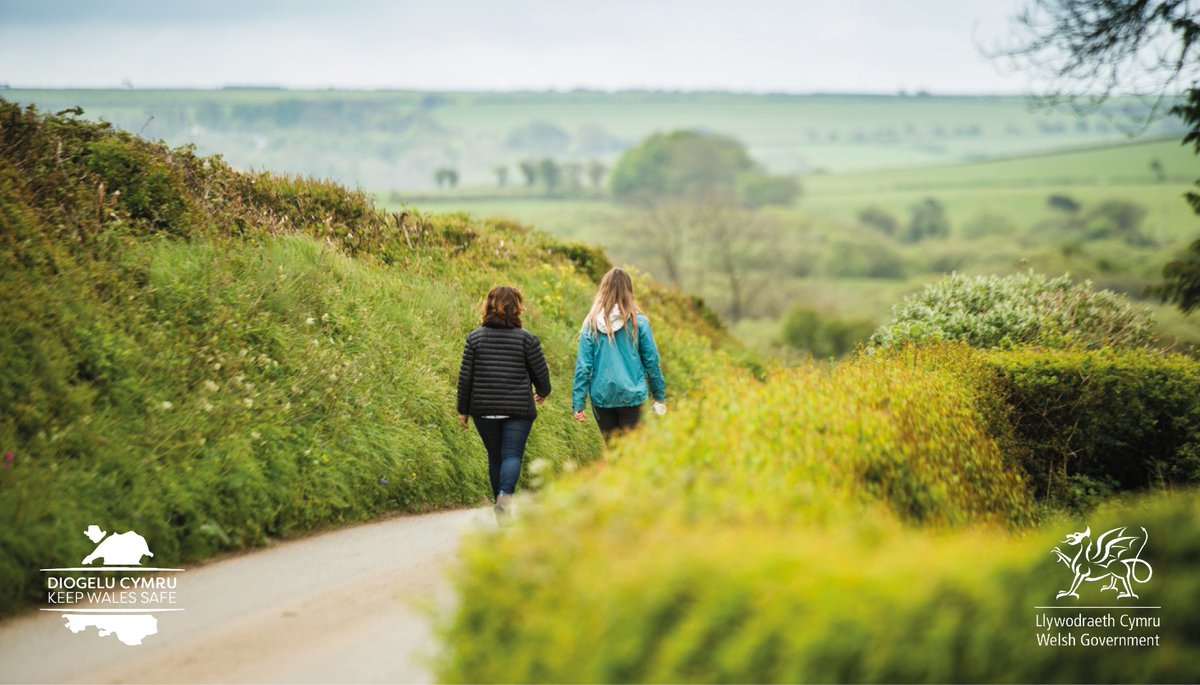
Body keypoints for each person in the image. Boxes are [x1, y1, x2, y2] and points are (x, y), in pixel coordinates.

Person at [456, 285, 551, 521]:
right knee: (511, 455)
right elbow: (542, 375)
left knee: (495, 456)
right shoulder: (526, 339)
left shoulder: (474, 338)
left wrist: (463, 409)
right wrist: (542, 391)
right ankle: (504, 498)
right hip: (517, 409)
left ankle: (500, 507)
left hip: (484, 410)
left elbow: (465, 377)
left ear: (487, 307)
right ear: (516, 309)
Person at [571, 267, 667, 441]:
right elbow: (651, 361)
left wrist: (578, 402)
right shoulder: (639, 323)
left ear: (604, 289)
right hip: (632, 397)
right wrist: (659, 395)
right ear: (629, 291)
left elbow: (583, 366)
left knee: (613, 450)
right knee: (632, 453)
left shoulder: (591, 323)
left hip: (602, 397)